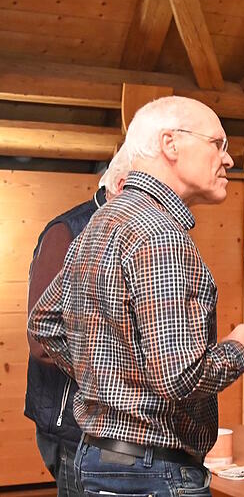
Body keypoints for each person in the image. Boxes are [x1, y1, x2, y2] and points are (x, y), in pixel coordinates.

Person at [28, 96, 244, 497]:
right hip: (151, 474)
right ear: (171, 144)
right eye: (217, 143)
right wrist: (240, 350)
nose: (228, 158)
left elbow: (45, 324)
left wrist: (111, 382)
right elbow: (179, 377)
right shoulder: (160, 235)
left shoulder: (102, 221)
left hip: (100, 460)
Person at [25, 151, 131, 497]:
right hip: (73, 428)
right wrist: (116, 377)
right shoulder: (67, 232)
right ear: (120, 185)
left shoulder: (132, 233)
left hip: (117, 428)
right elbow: (42, 340)